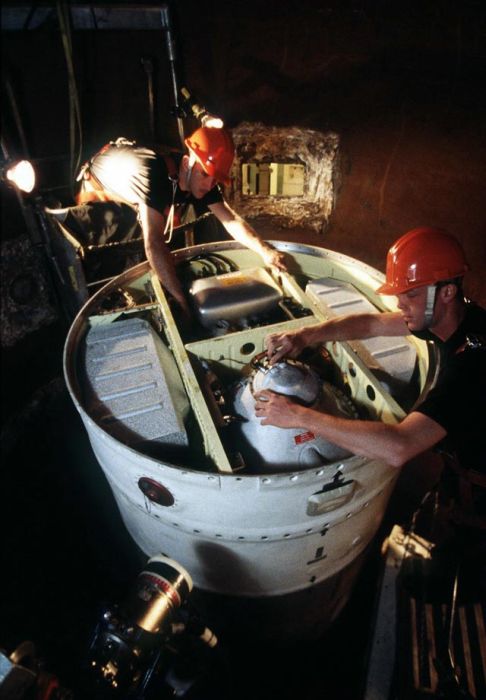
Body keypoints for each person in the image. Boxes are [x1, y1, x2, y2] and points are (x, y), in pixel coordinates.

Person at [256, 227, 486, 534]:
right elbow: (371, 324)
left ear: (447, 291)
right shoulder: (457, 316)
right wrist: (304, 336)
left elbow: (399, 447)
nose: (401, 305)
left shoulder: (471, 366)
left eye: (412, 294)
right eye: (399, 295)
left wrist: (297, 415)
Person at [76, 127, 288, 315]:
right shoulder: (155, 177)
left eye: (215, 179)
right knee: (119, 239)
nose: (209, 184)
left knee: (168, 224)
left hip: (142, 180)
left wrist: (265, 250)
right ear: (187, 163)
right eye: (205, 175)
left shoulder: (202, 178)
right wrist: (182, 302)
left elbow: (230, 218)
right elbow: (154, 243)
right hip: (99, 185)